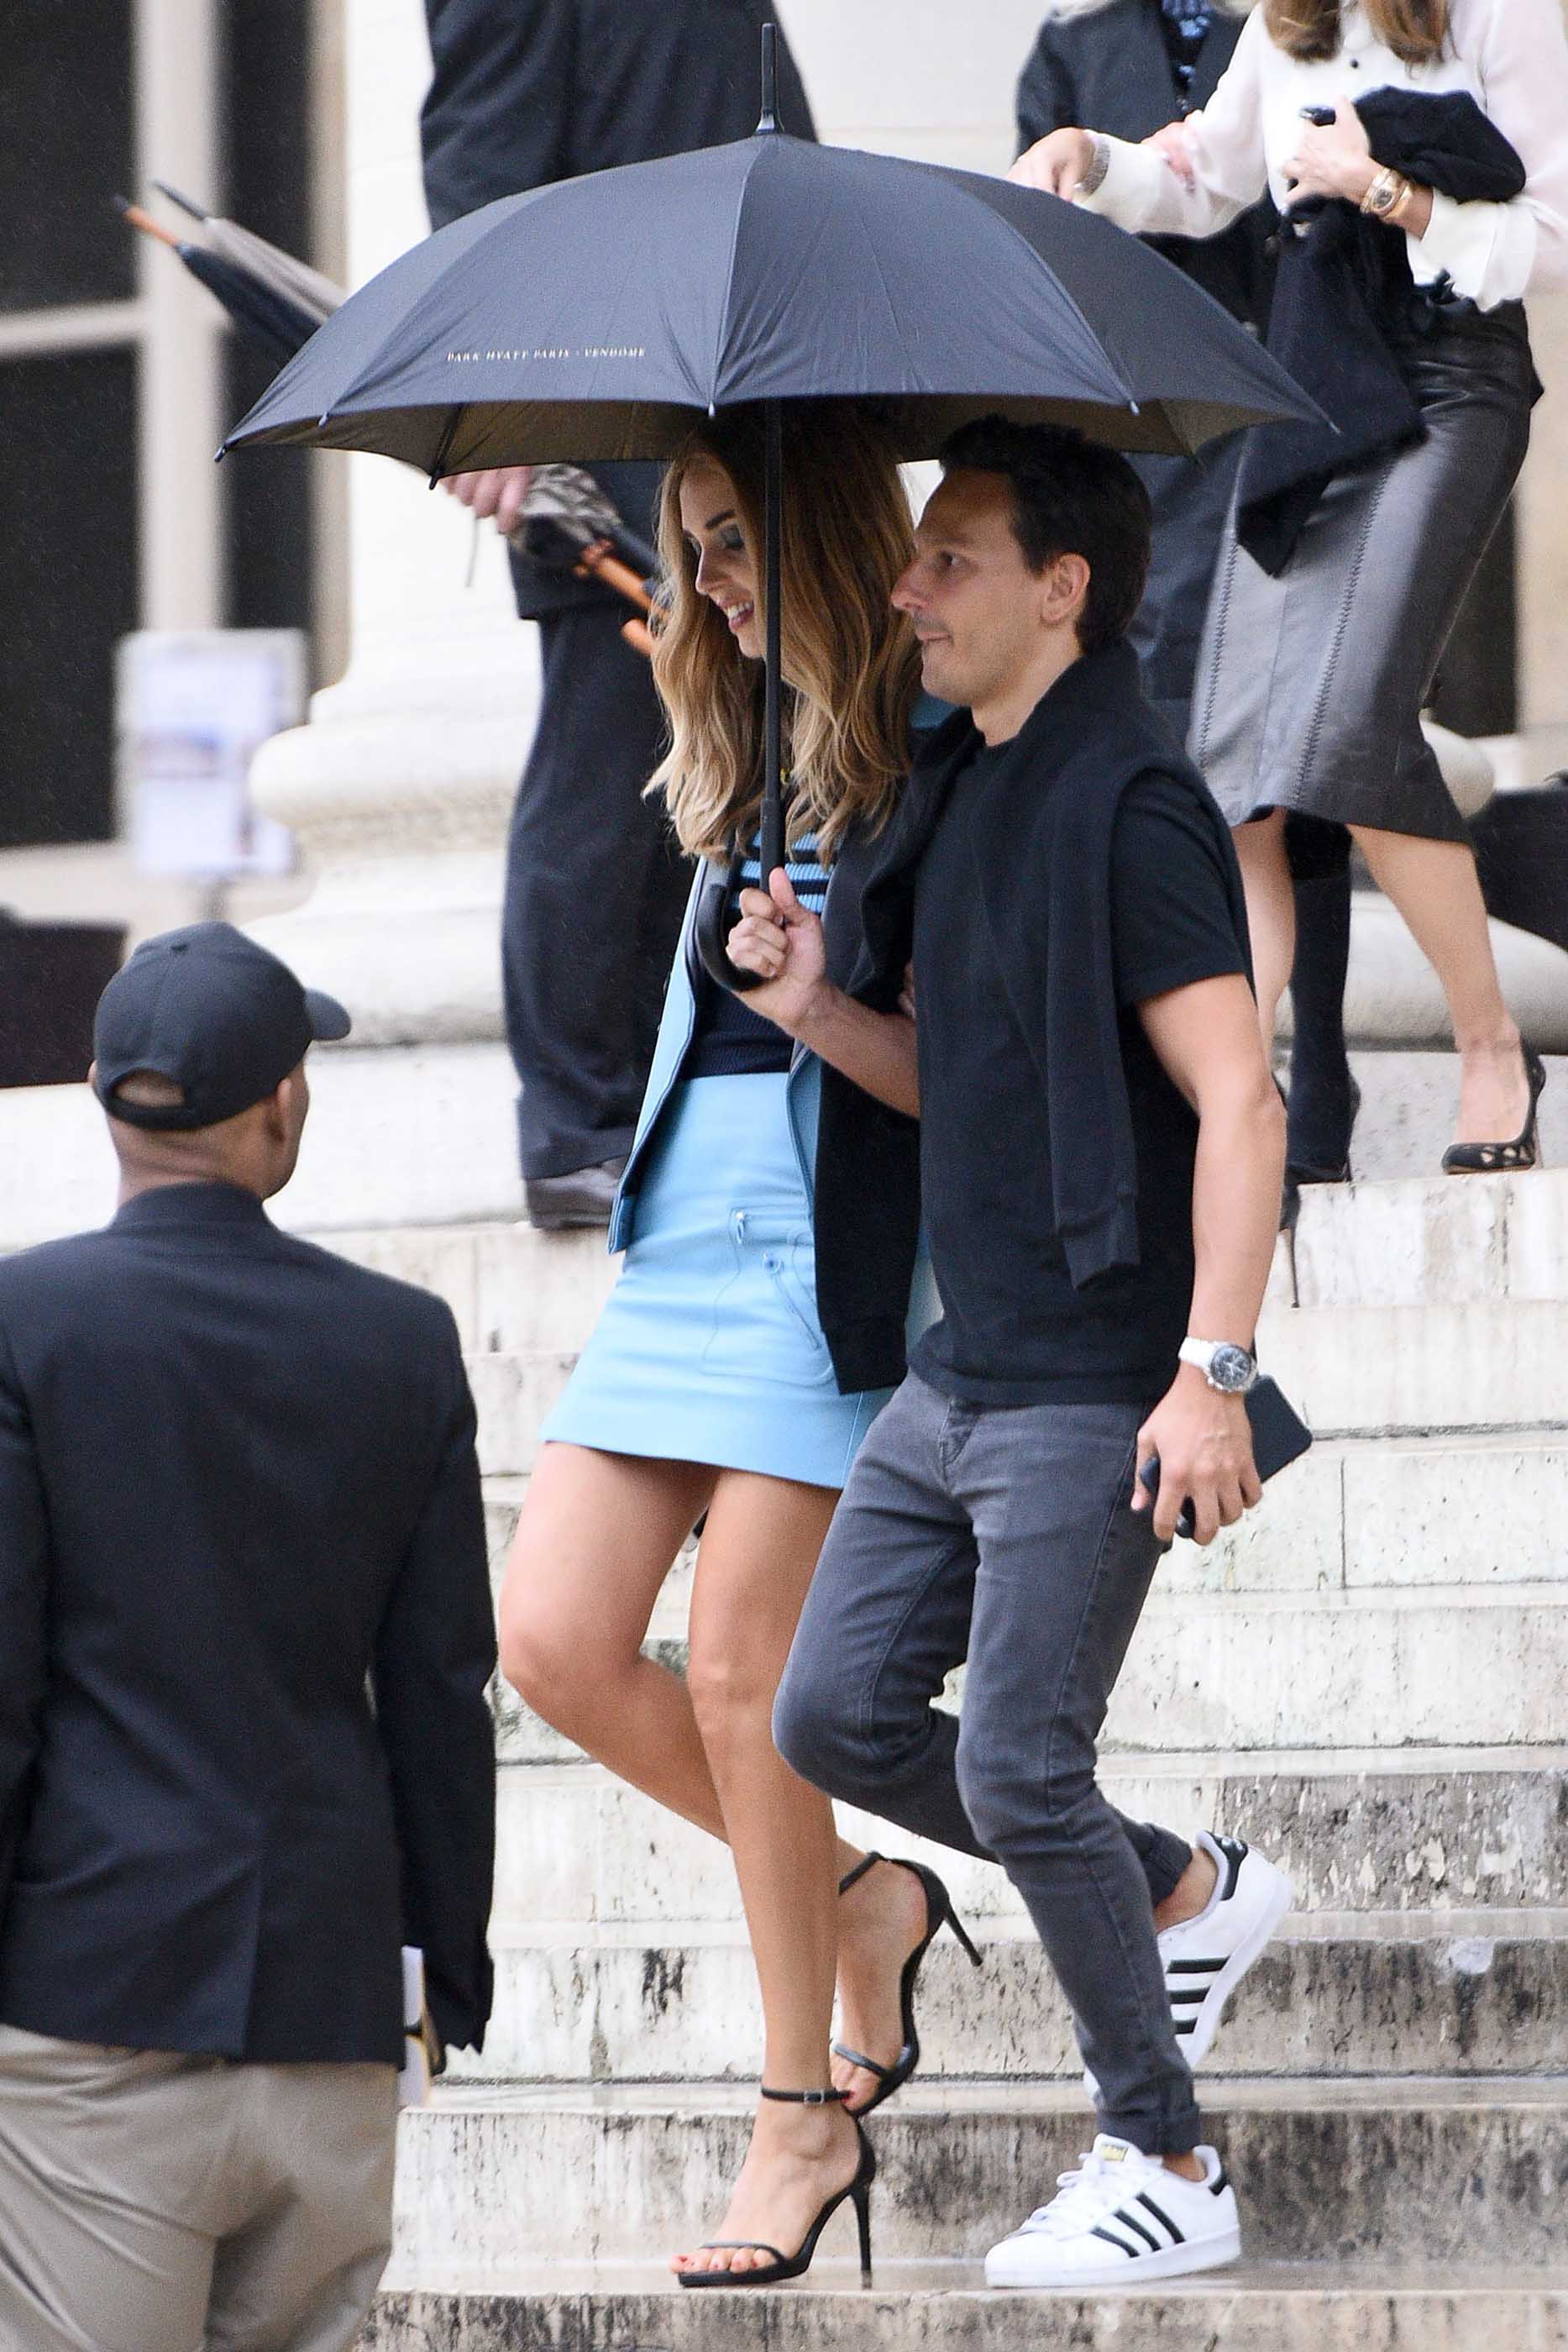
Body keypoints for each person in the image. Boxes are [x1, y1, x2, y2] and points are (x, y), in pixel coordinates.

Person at [747, 419, 1291, 2285]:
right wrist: (815, 1000)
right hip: (958, 1368)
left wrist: (1209, 1370)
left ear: (1062, 587)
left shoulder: (1130, 801)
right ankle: (1178, 1889)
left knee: (1017, 1766)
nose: (909, 587)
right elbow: (952, 1080)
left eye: (952, 557)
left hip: (1091, 1376)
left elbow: (1237, 1095)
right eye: (918, 554)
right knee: (824, 1713)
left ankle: (1166, 2154)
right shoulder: (962, 789)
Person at [498, 401, 976, 2289]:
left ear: (839, 528)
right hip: (678, 1235)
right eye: (690, 537)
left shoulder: (946, 759)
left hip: (826, 1256)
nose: (707, 571)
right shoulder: (742, 747)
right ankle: (862, 1902)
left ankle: (800, 2112)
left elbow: (970, 1081)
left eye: (735, 532)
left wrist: (828, 983)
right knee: (547, 1632)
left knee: (742, 1672)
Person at [0, 923, 496, 2352]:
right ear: (284, 1103)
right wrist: (438, 1979)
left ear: (103, 1096)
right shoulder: (400, 1341)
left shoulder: (29, 1327)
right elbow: (438, 1693)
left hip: (88, 2013)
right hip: (332, 2014)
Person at [1013, 0, 1568, 1173]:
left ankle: (1490, 1048)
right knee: (1240, 771)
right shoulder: (1287, 26)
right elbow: (1205, 176)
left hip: (1453, 379)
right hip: (1314, 377)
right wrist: (1095, 160)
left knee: (1354, 721)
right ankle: (1236, 1099)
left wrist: (1385, 192)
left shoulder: (1497, 16)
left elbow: (1556, 235)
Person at [420, 0, 816, 1228]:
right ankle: (576, 1126)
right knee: (608, 775)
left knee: (712, 766)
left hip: (737, 394)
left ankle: (656, 1100)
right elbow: (483, 163)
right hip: (601, 423)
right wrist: (496, 409)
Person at [1017, 0, 1361, 1198]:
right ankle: (1223, 1076)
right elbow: (1042, 262)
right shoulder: (1071, 48)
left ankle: (1317, 1071)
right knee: (1188, 763)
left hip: (1303, 420)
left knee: (1300, 766)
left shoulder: (1297, 24)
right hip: (1152, 456)